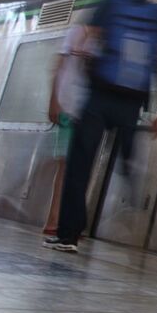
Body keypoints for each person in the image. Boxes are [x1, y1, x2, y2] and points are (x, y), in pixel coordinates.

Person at [44, 0, 157, 253]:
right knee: (124, 150)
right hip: (133, 100)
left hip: (100, 96)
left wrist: (80, 58)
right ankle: (129, 169)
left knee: (80, 164)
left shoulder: (111, 4)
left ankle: (69, 235)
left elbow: (86, 38)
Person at [41, 22, 91, 237]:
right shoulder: (79, 31)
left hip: (88, 110)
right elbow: (59, 66)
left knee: (77, 165)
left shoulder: (105, 37)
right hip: (69, 108)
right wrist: (54, 101)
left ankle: (67, 219)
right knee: (66, 164)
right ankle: (54, 219)